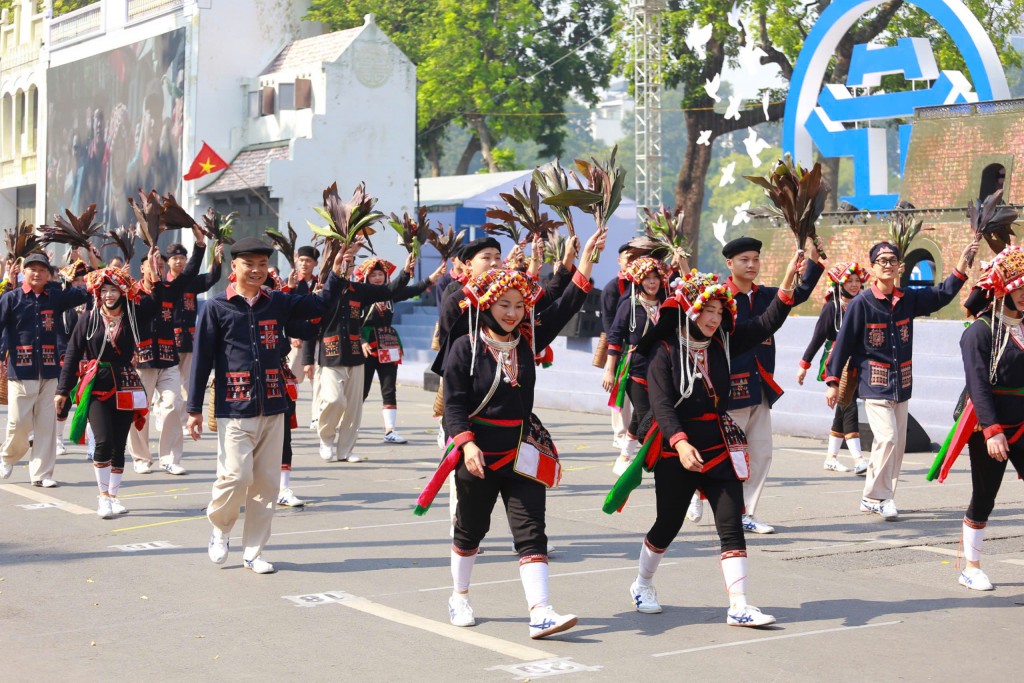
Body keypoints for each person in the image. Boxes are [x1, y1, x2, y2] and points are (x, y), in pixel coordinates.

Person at [418, 227, 605, 639]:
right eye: (504, 304)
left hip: (521, 449)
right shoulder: (465, 347)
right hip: (477, 453)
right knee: (470, 529)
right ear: (487, 305)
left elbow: (567, 301)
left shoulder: (527, 339)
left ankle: (541, 611)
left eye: (520, 305)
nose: (513, 313)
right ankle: (460, 595)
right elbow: (453, 407)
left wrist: (586, 258)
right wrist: (465, 445)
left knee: (531, 530)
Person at [604, 253, 800, 627]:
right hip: (674, 448)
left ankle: (739, 604)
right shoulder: (664, 352)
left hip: (717, 445)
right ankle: (642, 583)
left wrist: (788, 279)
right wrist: (679, 443)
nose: (714, 318)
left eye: (718, 311)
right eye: (706, 310)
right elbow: (661, 407)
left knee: (731, 521)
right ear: (690, 311)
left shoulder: (723, 341)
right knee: (668, 522)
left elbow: (765, 323)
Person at [187, 237, 345, 574]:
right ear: (235, 267)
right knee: (235, 475)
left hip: (274, 405)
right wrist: (193, 409)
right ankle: (220, 526)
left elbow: (319, 307)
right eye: (249, 264)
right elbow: (201, 360)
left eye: (262, 264)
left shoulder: (278, 303)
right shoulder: (216, 307)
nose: (257, 270)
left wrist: (338, 273)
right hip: (234, 406)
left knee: (266, 484)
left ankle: (253, 552)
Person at [825, 238, 977, 520]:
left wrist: (961, 265)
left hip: (902, 384)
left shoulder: (908, 300)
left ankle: (883, 497)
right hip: (874, 383)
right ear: (872, 268)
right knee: (888, 438)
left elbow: (941, 295)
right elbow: (843, 343)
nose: (887, 265)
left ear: (900, 267)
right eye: (881, 261)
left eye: (892, 261)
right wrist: (833, 381)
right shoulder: (862, 303)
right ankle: (874, 496)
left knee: (896, 446)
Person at [717, 236, 824, 534]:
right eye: (744, 260)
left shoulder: (765, 295)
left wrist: (812, 261)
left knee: (761, 453)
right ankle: (704, 496)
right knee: (728, 455)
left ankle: (746, 514)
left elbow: (798, 293)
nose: (752, 265)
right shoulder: (719, 299)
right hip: (728, 392)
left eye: (755, 259)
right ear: (730, 263)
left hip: (760, 387)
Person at [54, 256, 158, 518]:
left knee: (119, 444)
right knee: (103, 440)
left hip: (125, 383)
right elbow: (72, 354)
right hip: (97, 385)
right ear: (98, 294)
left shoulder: (133, 315)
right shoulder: (88, 318)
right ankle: (102, 497)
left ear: (122, 292)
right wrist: (62, 390)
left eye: (114, 289)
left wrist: (150, 277)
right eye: (104, 290)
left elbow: (155, 304)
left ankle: (114, 496)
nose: (109, 295)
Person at [951, 246, 1024, 590]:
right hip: (989, 425)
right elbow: (977, 384)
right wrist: (992, 431)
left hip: (1023, 422)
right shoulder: (980, 332)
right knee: (985, 495)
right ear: (1004, 290)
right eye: (1019, 290)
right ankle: (971, 566)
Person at [0, 252, 91, 487]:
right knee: (18, 423)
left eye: (42, 269)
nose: (37, 273)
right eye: (32, 269)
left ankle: (42, 474)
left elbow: (86, 291)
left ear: (49, 274)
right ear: (24, 272)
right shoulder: (12, 298)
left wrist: (89, 262)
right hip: (20, 370)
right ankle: (8, 456)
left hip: (50, 371)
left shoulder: (55, 298)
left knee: (46, 425)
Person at [128, 232, 206, 475]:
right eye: (152, 265)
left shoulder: (171, 289)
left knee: (173, 404)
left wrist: (200, 245)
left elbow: (191, 272)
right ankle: (141, 458)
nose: (157, 268)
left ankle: (170, 458)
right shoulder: (132, 294)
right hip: (142, 361)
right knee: (139, 411)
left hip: (168, 358)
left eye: (161, 265)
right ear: (142, 268)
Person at [356, 255, 445, 443]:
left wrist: (432, 278)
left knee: (389, 388)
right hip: (367, 346)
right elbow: (353, 322)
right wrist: (362, 340)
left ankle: (390, 430)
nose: (378, 277)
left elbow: (412, 289)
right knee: (361, 390)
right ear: (366, 278)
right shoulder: (360, 296)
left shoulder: (390, 294)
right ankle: (350, 427)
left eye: (381, 274)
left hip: (388, 344)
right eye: (374, 275)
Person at [797, 262, 869, 473]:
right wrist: (804, 364)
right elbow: (818, 337)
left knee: (844, 405)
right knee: (849, 406)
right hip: (838, 361)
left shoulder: (864, 304)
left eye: (857, 281)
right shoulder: (832, 306)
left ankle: (831, 457)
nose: (855, 285)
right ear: (840, 283)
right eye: (850, 281)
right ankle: (858, 459)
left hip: (858, 361)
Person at [603, 256, 669, 475]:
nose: (652, 282)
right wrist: (610, 371)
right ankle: (654, 460)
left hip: (661, 370)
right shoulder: (630, 305)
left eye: (655, 278)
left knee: (641, 417)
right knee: (649, 414)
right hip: (636, 370)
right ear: (639, 281)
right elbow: (615, 337)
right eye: (647, 278)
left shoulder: (667, 305)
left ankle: (625, 455)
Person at [170, 241, 224, 431]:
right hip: (168, 341)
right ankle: (168, 416)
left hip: (189, 340)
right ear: (168, 262)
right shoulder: (164, 283)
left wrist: (216, 259)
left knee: (187, 382)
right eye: (175, 258)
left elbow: (211, 278)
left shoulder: (192, 283)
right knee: (170, 384)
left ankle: (185, 420)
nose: (179, 262)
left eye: (182, 258)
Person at [600, 245, 636, 458]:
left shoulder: (645, 285)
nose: (632, 261)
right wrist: (612, 360)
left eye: (636, 258)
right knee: (620, 390)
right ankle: (620, 433)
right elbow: (608, 323)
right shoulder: (612, 288)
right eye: (628, 257)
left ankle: (633, 432)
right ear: (619, 261)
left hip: (641, 348)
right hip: (621, 349)